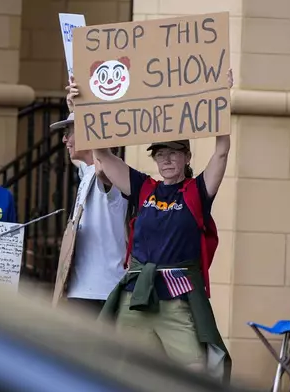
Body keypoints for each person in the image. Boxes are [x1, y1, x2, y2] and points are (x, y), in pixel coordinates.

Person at [65, 70, 233, 382]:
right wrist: (80, 107)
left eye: (173, 153)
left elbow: (222, 152)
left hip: (177, 298)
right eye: (160, 154)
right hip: (136, 297)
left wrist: (222, 98)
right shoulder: (144, 188)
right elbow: (101, 153)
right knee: (127, 373)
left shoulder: (196, 191)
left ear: (186, 156)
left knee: (194, 374)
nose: (166, 160)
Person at [51, 112, 128, 316]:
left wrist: (89, 118)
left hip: (102, 292)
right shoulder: (87, 171)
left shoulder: (108, 172)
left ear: (88, 133)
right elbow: (85, 164)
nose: (64, 139)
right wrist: (73, 103)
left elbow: (102, 169)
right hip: (83, 289)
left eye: (69, 132)